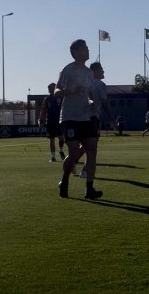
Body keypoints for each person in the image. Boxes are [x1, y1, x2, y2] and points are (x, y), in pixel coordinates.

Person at [55, 39, 102, 200]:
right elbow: (56, 91)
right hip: (69, 117)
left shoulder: (89, 73)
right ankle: (64, 181)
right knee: (74, 153)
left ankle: (89, 189)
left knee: (92, 150)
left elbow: (88, 94)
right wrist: (70, 91)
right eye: (84, 49)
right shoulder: (67, 70)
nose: (87, 51)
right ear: (75, 52)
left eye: (88, 48)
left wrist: (91, 102)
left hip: (85, 117)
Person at [37, 83, 66, 162]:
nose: (50, 90)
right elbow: (43, 110)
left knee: (61, 138)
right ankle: (53, 157)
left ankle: (61, 150)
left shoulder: (61, 97)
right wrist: (41, 120)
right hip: (50, 121)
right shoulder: (47, 99)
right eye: (49, 88)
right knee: (51, 139)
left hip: (60, 120)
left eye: (52, 88)